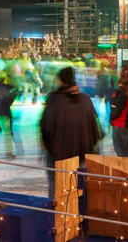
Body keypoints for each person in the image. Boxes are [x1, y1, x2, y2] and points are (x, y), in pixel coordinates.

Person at [40, 67, 101, 198]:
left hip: (58, 151)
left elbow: (45, 126)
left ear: (61, 81)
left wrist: (46, 143)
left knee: (55, 181)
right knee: (76, 180)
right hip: (80, 150)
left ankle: (56, 211)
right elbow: (94, 124)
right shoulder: (85, 99)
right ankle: (77, 209)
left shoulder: (54, 100)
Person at [109, 81, 128, 158]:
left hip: (121, 125)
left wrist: (111, 118)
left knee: (124, 157)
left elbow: (119, 108)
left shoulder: (125, 91)